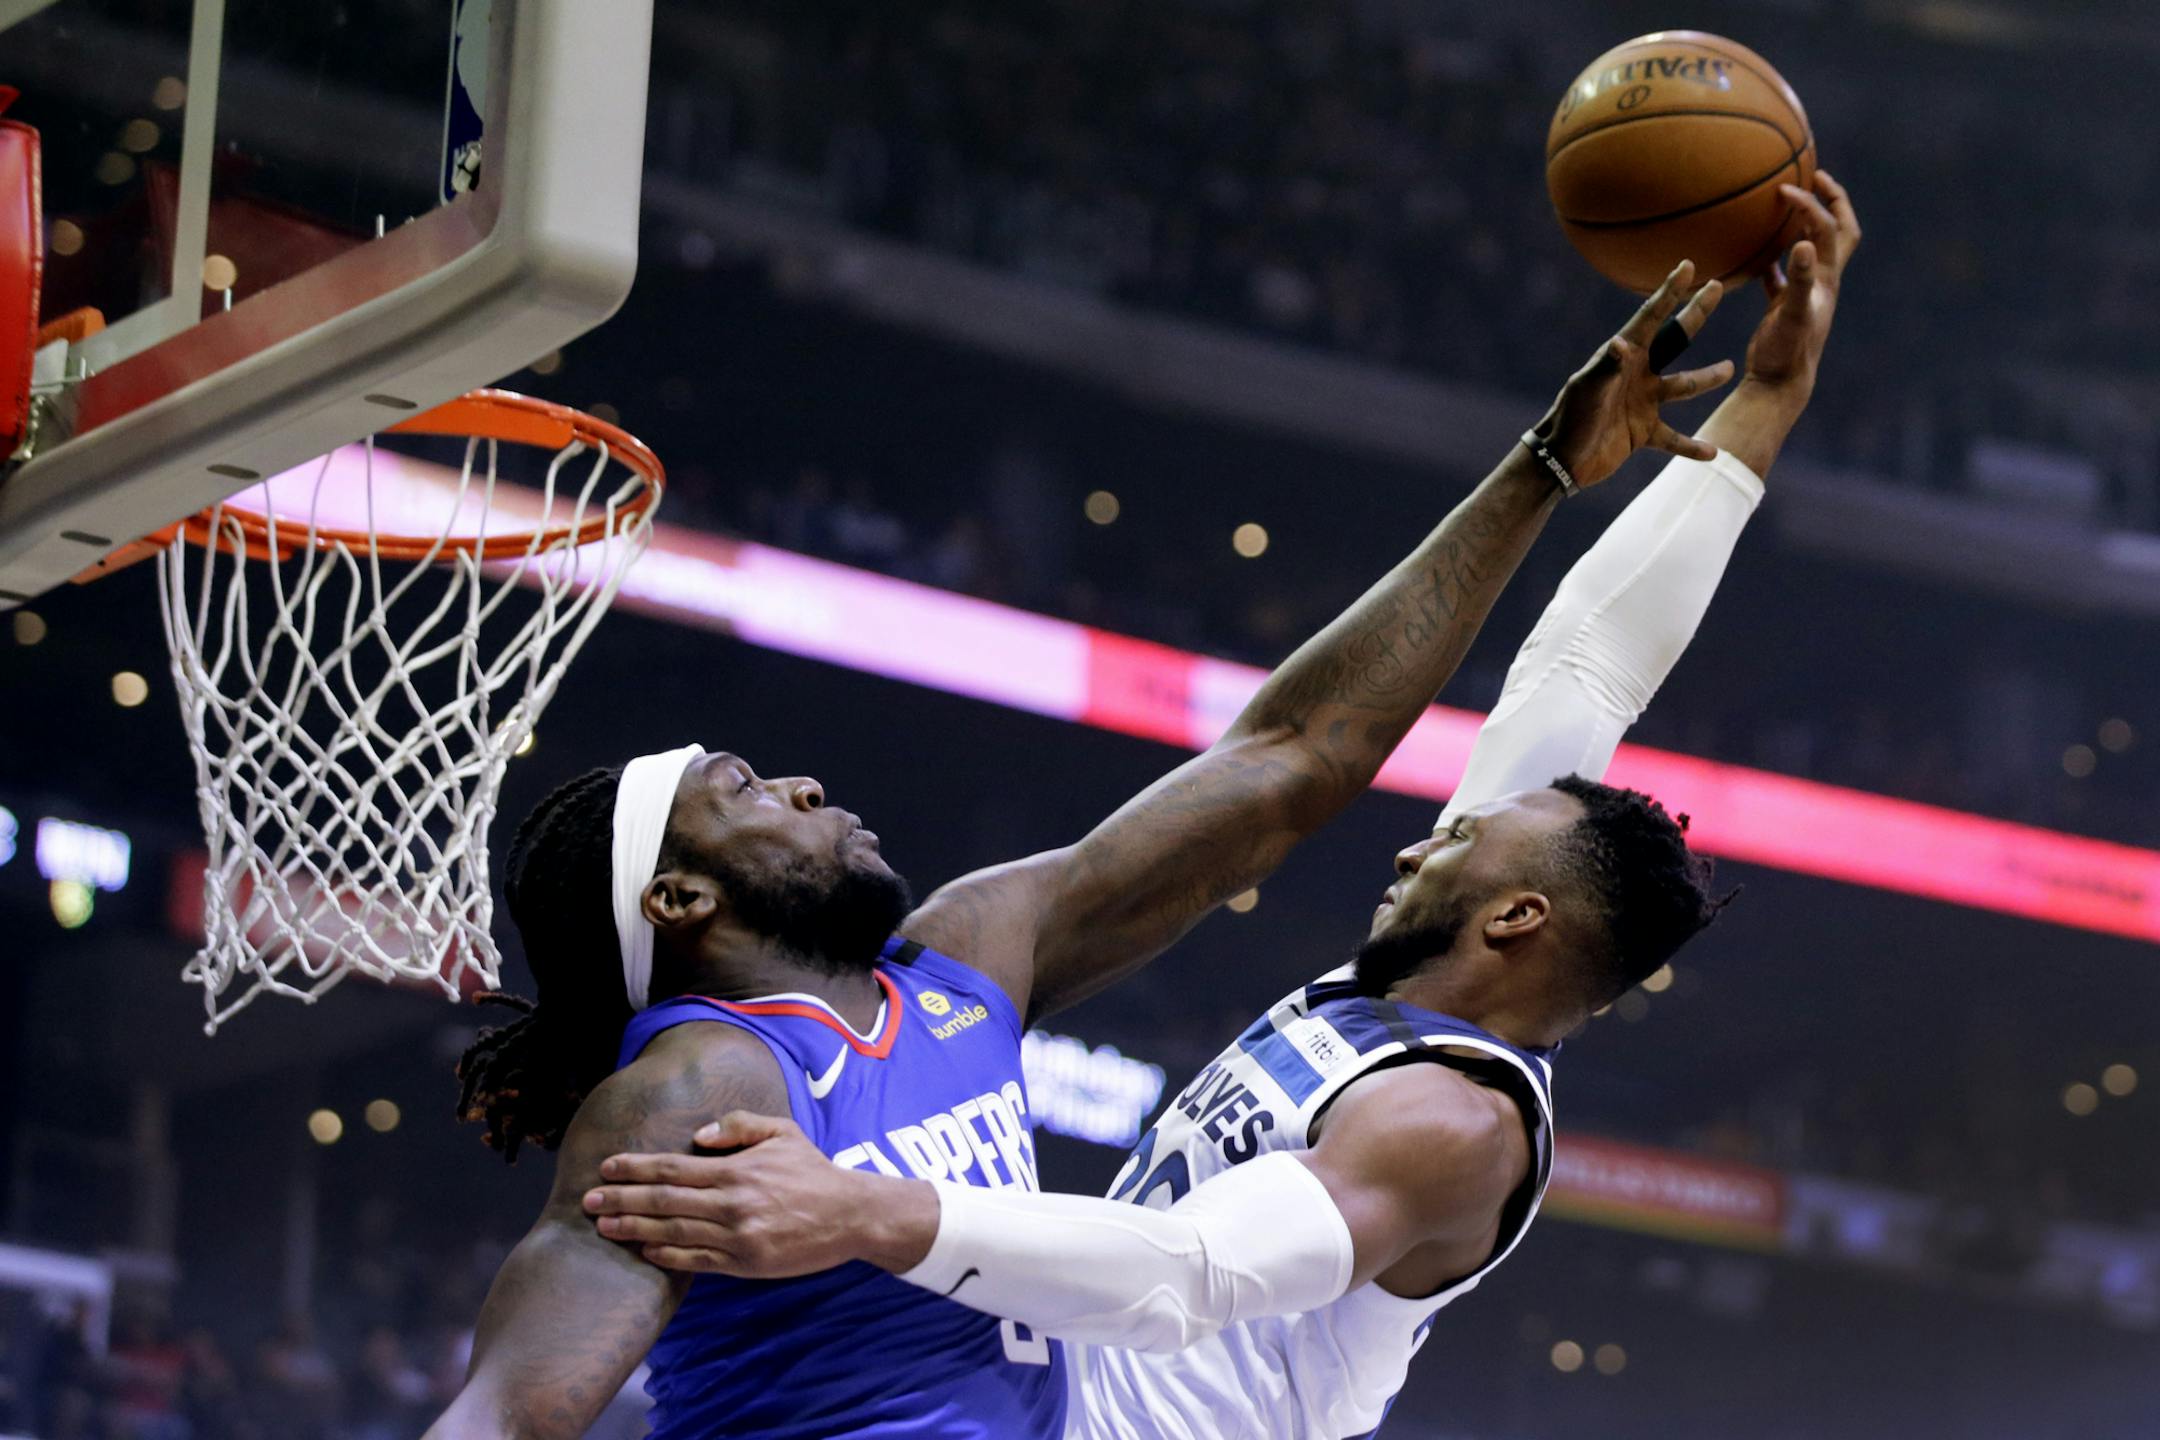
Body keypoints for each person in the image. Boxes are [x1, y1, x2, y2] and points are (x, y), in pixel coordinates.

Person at [578, 174, 1860, 1440]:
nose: (1421, 838)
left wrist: (864, 1211)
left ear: (1516, 918)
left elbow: (1185, 1273)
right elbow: (1584, 664)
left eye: (1460, 839)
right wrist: (1763, 404)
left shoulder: (1451, 1123)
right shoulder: (1403, 999)